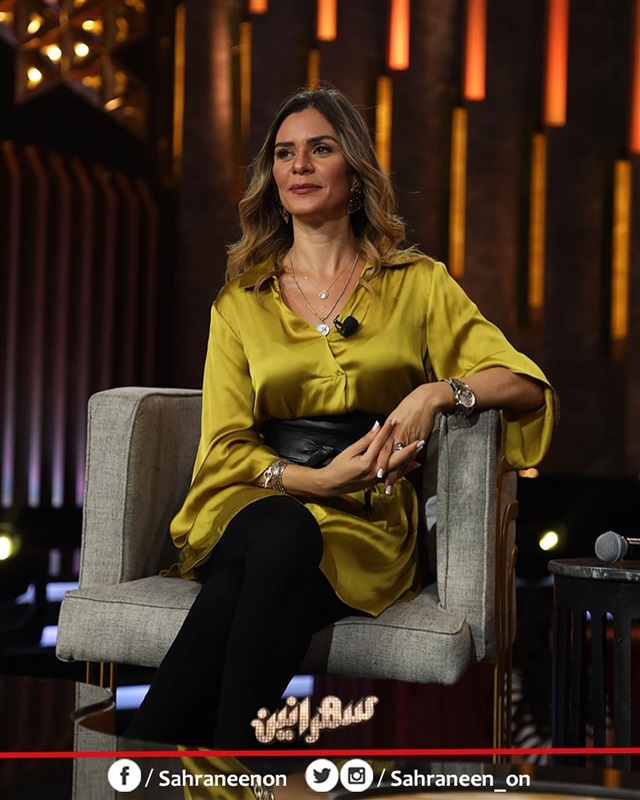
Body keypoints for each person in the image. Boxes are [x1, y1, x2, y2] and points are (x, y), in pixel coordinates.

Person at [125, 85, 558, 750]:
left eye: (319, 149)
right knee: (282, 530)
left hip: (366, 519)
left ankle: (155, 761)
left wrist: (439, 393)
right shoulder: (240, 302)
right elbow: (225, 443)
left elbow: (524, 384)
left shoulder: (417, 283)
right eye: (284, 153)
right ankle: (232, 766)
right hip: (254, 497)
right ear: (273, 181)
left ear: (354, 175)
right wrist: (315, 480)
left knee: (242, 588)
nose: (298, 165)